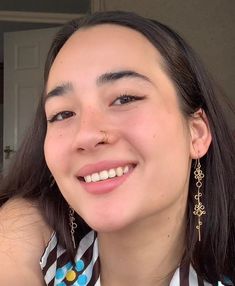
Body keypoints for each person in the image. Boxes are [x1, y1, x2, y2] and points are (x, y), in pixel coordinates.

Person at [0, 11, 234, 286]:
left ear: (196, 133)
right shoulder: (31, 255)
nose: (86, 135)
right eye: (62, 114)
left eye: (124, 98)